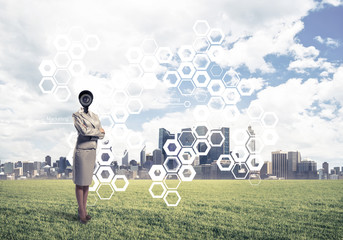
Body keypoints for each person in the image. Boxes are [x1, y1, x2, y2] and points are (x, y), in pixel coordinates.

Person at [72, 90, 105, 224]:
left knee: (87, 183)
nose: (86, 100)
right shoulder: (76, 115)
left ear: (91, 99)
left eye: (88, 98)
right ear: (80, 100)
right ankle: (81, 212)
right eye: (83, 98)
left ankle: (84, 210)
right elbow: (83, 131)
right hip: (82, 151)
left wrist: (94, 132)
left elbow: (103, 134)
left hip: (92, 150)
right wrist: (97, 132)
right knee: (80, 183)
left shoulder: (95, 116)